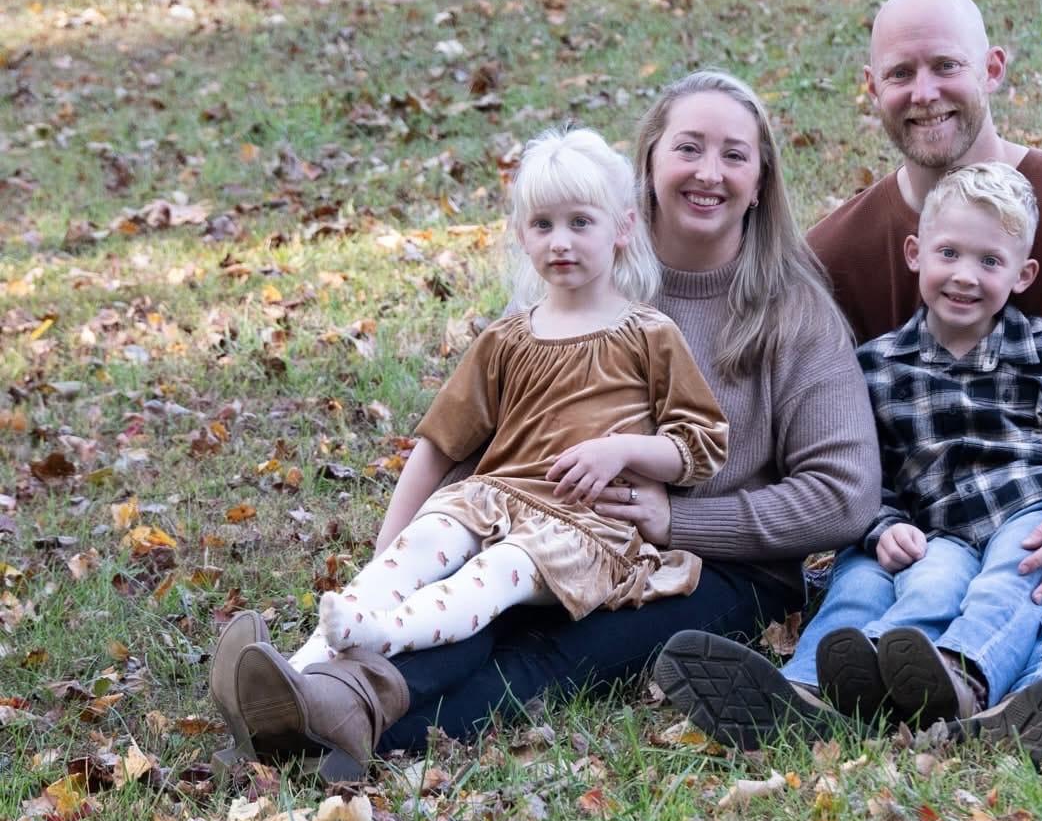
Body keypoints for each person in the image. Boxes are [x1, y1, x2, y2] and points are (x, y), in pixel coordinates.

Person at [207, 71, 881, 780]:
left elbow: (843, 495)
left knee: (545, 653)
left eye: (734, 155)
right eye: (688, 148)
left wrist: (676, 521)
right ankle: (321, 699)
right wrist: (398, 559)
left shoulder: (793, 313)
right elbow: (484, 441)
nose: (709, 173)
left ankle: (341, 734)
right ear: (648, 165)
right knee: (477, 594)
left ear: (761, 178)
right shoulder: (585, 275)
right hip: (553, 526)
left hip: (720, 569)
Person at [657, 0, 1042, 764]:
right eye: (901, 74)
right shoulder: (832, 257)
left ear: (992, 69)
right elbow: (795, 427)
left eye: (946, 66)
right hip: (917, 521)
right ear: (871, 89)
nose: (925, 92)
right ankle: (804, 698)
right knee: (862, 586)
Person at [280, 126, 728, 671]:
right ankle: (295, 671)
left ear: (623, 227)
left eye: (580, 222)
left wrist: (623, 451)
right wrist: (387, 556)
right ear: (522, 234)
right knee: (424, 540)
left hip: (582, 531)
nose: (559, 241)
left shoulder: (649, 334)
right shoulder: (506, 339)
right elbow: (438, 448)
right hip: (493, 500)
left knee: (492, 574)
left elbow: (702, 445)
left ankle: (381, 637)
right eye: (543, 224)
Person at [815, 160, 1042, 727]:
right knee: (929, 587)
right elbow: (865, 475)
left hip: (1032, 508)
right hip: (938, 529)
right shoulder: (875, 368)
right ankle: (864, 672)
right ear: (915, 254)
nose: (965, 276)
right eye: (948, 253)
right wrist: (885, 526)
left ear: (1023, 275)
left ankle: (966, 671)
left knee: (1013, 577)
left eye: (990, 261)